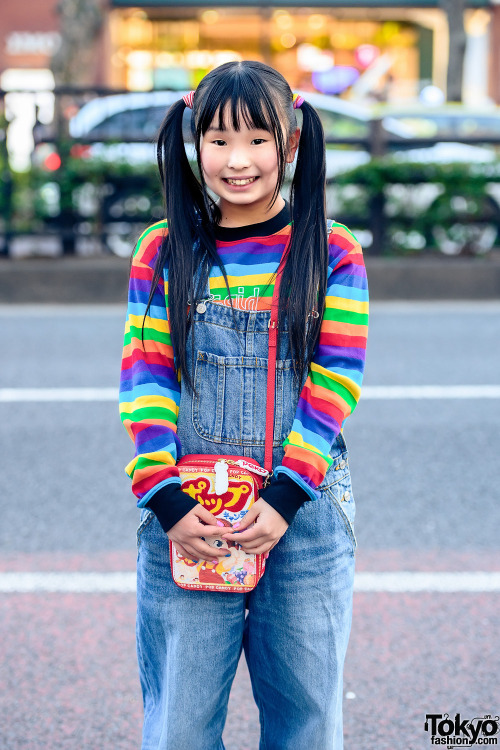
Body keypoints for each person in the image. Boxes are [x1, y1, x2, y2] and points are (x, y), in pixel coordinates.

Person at [119, 60, 368, 750]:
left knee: (309, 721)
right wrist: (164, 498)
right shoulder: (164, 251)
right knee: (181, 724)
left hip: (304, 514)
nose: (238, 161)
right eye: (220, 140)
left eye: (258, 140)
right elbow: (146, 378)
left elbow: (336, 381)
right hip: (188, 512)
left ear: (289, 144)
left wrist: (287, 496)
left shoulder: (332, 251)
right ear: (195, 144)